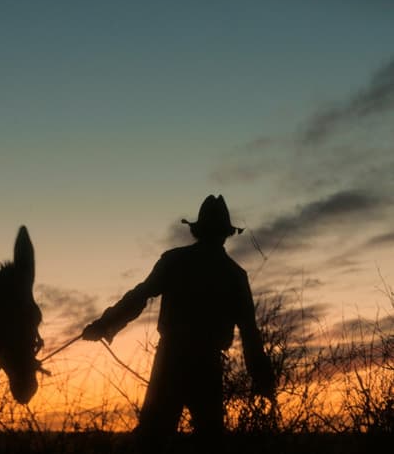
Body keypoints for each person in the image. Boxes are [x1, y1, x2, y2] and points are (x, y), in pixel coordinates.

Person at [82, 194, 275, 453]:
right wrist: (262, 377)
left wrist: (104, 325)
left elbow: (141, 294)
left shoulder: (175, 261)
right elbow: (249, 332)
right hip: (207, 365)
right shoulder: (234, 275)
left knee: (152, 439)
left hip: (171, 361)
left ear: (198, 231)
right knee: (210, 442)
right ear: (225, 234)